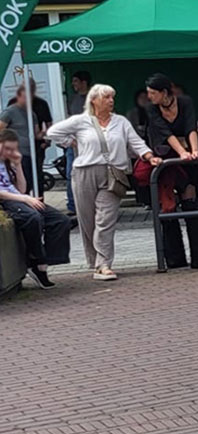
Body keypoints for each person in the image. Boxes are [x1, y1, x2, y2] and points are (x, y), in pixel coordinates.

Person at [48, 84, 160, 281]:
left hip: (113, 173)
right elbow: (52, 132)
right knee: (87, 220)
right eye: (106, 97)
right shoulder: (81, 121)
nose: (111, 101)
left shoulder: (121, 122)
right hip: (84, 172)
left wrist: (149, 156)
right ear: (94, 101)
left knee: (105, 219)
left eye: (112, 97)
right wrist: (70, 142)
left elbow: (136, 142)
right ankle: (94, 261)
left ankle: (104, 263)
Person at [144, 73, 198, 270]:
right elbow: (165, 134)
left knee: (190, 203)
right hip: (165, 156)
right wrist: (182, 152)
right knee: (168, 205)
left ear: (164, 92)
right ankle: (174, 258)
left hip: (185, 157)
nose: (149, 96)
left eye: (153, 93)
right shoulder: (151, 109)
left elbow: (191, 126)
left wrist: (194, 151)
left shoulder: (185, 102)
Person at [0, 129, 71, 289]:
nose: (10, 153)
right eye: (7, 149)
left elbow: (21, 188)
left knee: (61, 220)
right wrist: (25, 199)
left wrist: (18, 165)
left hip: (18, 198)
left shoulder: (8, 162)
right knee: (33, 217)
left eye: (13, 149)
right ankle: (36, 260)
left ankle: (46, 260)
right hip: (8, 201)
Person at [0, 85, 39, 193]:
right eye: (25, 97)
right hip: (17, 151)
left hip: (30, 152)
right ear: (18, 96)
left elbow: (36, 133)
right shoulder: (10, 112)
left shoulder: (31, 114)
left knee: (30, 181)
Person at [64, 71, 91, 215]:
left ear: (84, 82)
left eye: (75, 81)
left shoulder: (94, 99)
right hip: (74, 142)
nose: (73, 84)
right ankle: (73, 206)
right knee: (71, 173)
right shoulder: (73, 100)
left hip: (91, 143)